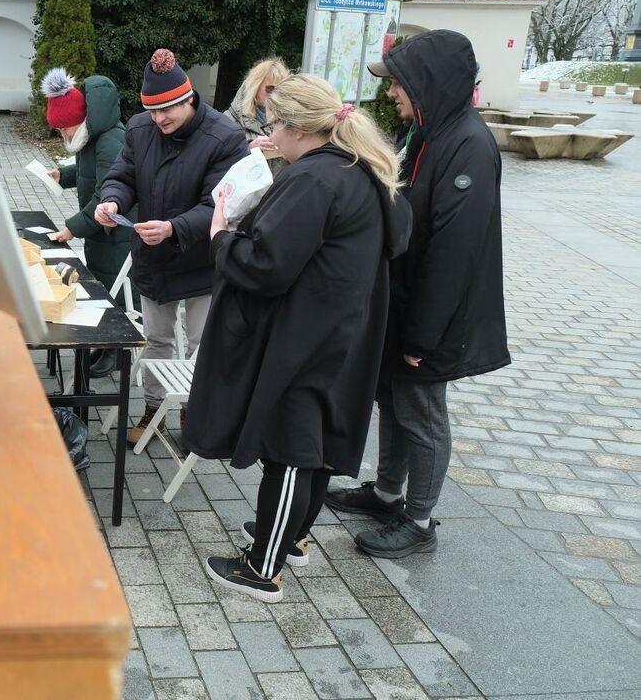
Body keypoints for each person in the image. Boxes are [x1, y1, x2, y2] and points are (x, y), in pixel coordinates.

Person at [185, 73, 411, 603]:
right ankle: (290, 538)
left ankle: (263, 565)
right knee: (315, 443)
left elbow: (266, 264)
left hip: (308, 333)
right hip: (343, 328)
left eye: (271, 126)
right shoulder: (360, 168)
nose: (268, 135)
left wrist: (221, 238)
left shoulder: (315, 179)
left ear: (293, 127)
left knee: (291, 446)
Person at [325, 29, 511, 558]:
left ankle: (420, 519)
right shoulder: (433, 132)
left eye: (399, 85)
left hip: (435, 317)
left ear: (426, 84)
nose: (391, 95)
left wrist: (423, 336)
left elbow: (455, 253)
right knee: (395, 401)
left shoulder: (468, 145)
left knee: (422, 413)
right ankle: (387, 493)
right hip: (408, 304)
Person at [95, 48, 247, 447]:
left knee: (201, 343)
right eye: (152, 110)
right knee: (156, 340)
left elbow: (220, 204)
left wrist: (174, 228)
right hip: (154, 255)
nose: (159, 119)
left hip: (201, 259)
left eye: (168, 110)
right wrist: (111, 200)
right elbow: (122, 175)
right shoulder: (139, 128)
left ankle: (194, 415)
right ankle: (153, 409)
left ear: (189, 98)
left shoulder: (225, 136)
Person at [41, 68, 133, 377]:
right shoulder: (92, 135)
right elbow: (86, 170)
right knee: (102, 286)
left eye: (62, 129)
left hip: (116, 232)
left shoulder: (111, 140)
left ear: (75, 123)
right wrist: (62, 175)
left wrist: (71, 228)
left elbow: (102, 197)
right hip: (100, 231)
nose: (63, 135)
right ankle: (105, 345)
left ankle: (116, 349)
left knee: (115, 292)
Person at [226, 57, 291, 175]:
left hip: (282, 190)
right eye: (270, 89)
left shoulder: (292, 120)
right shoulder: (229, 119)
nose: (275, 95)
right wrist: (249, 149)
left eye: (280, 89)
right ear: (255, 87)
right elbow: (219, 161)